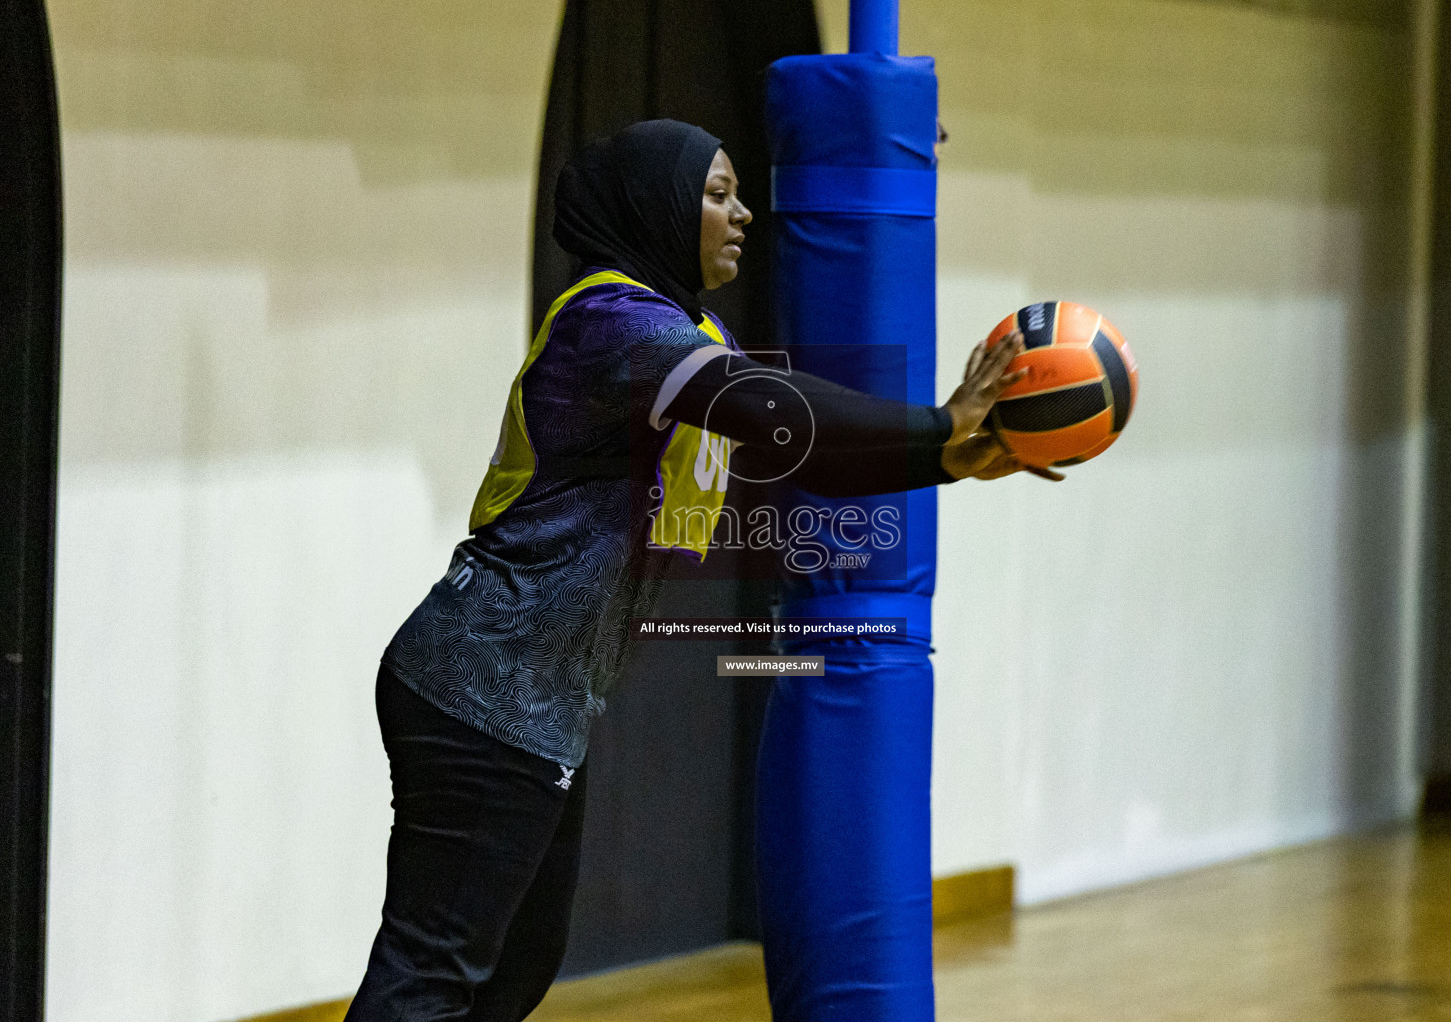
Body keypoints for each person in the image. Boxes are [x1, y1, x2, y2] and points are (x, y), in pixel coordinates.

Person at [344, 118, 1041, 1021]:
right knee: (433, 970)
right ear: (658, 208)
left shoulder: (685, 332)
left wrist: (948, 460)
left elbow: (803, 450)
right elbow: (787, 411)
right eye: (718, 194)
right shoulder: (613, 325)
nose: (743, 213)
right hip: (482, 681)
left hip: (535, 696)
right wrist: (941, 423)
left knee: (515, 968)